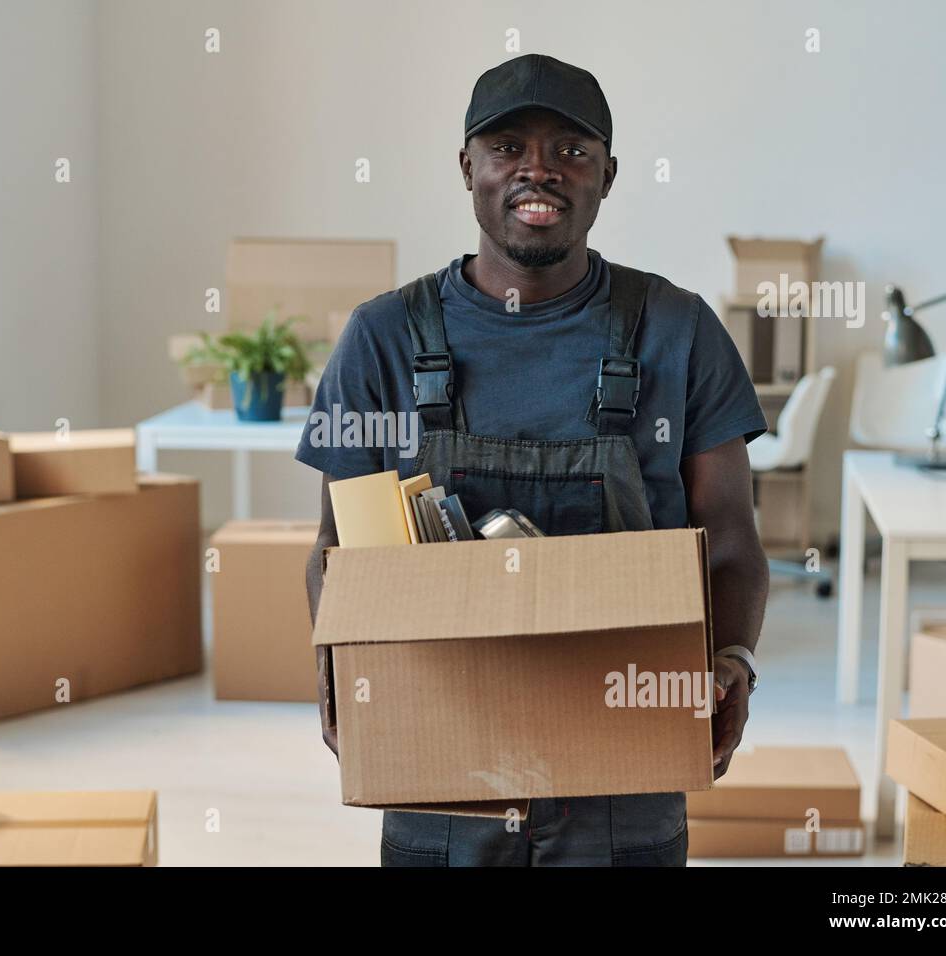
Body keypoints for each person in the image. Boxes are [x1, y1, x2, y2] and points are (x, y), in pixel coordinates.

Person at [296, 53, 769, 866]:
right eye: (508, 147)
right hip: (442, 766)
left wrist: (733, 661)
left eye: (572, 151)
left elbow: (729, 540)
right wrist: (341, 680)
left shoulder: (679, 332)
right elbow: (339, 551)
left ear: (608, 176)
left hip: (627, 765)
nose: (538, 171)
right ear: (468, 167)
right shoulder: (382, 340)